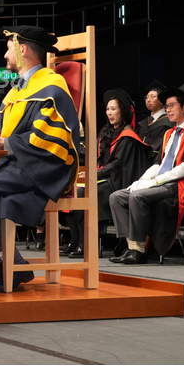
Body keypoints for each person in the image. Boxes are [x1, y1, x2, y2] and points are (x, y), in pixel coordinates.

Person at [0, 26, 80, 292]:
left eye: (8, 48)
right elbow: (9, 131)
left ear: (23, 50)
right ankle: (6, 265)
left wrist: (7, 143)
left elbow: (50, 138)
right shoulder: (18, 90)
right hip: (17, 161)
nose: (5, 55)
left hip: (43, 165)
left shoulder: (51, 86)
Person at [109, 87, 184, 265]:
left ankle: (139, 251)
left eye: (171, 106)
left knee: (137, 197)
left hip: (179, 185)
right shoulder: (169, 133)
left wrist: (154, 182)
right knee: (116, 197)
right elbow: (158, 164)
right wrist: (142, 181)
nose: (168, 110)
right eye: (166, 106)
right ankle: (132, 246)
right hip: (162, 183)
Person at [64, 89, 152, 258]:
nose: (109, 113)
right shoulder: (105, 132)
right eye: (107, 109)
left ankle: (87, 243)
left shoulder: (128, 137)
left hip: (118, 182)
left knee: (83, 193)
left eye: (113, 109)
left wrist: (93, 175)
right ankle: (78, 240)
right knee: (75, 190)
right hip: (104, 177)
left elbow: (116, 165)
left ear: (122, 111)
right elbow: (97, 158)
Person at [136, 80, 175, 156]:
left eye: (153, 96)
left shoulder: (167, 122)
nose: (148, 100)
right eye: (147, 97)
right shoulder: (144, 123)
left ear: (161, 101)